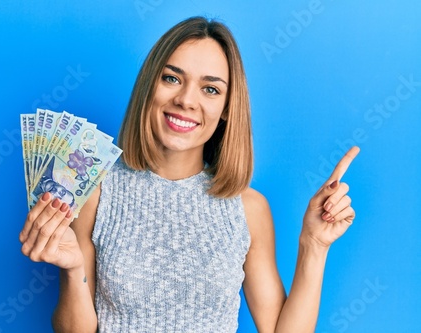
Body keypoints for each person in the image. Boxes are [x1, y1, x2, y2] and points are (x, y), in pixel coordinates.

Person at [19, 16, 359, 333]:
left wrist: (314, 245)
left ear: (227, 109)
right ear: (149, 86)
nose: (186, 100)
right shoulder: (95, 192)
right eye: (171, 78)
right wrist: (72, 269)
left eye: (210, 89)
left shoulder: (249, 208)